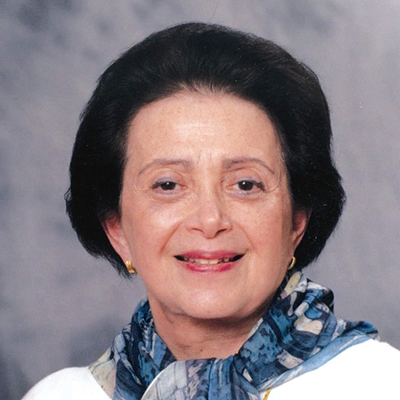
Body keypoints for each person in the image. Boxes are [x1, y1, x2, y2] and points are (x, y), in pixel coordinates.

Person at [22, 22, 400, 400]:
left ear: (296, 223)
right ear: (117, 229)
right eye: (168, 185)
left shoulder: (381, 383)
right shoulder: (59, 396)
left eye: (245, 185)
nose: (209, 220)